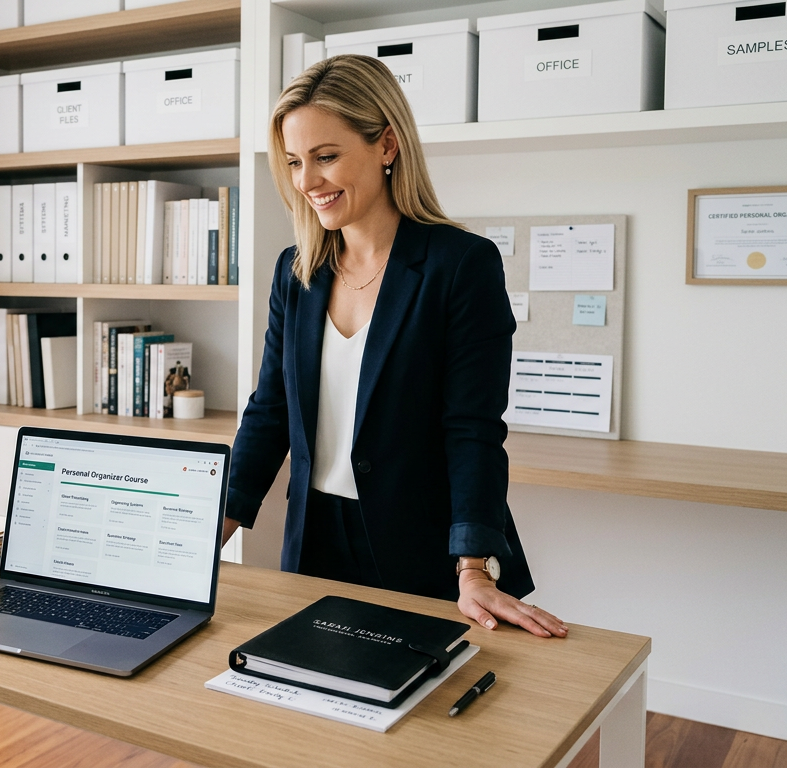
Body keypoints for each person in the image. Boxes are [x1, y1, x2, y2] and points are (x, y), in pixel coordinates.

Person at [222, 55, 566, 638]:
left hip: (424, 548)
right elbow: (271, 408)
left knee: (425, 718)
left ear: (386, 145)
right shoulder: (296, 272)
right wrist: (211, 527)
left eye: (327, 157)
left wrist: (475, 566)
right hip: (314, 540)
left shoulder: (460, 265)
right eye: (295, 163)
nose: (308, 182)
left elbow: (473, 428)